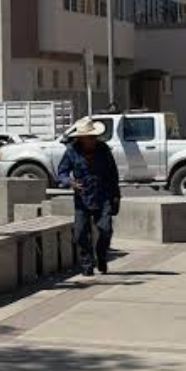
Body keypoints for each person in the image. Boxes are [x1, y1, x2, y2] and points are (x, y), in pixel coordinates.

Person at [57, 118, 120, 276]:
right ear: (81, 138)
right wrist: (70, 182)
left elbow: (113, 174)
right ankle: (87, 264)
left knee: (105, 229)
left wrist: (116, 196)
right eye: (89, 137)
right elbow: (62, 172)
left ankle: (101, 256)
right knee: (80, 234)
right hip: (82, 198)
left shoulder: (103, 149)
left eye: (94, 137)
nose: (92, 140)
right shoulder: (71, 151)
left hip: (103, 195)